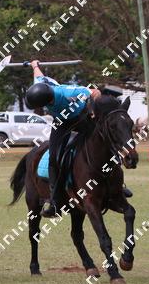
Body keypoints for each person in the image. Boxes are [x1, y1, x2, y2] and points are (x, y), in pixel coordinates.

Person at [24, 60, 102, 217]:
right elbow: (38, 74)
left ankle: (119, 186)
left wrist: (94, 110)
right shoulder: (40, 85)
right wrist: (34, 65)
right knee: (53, 157)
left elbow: (95, 92)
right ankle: (55, 201)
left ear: (47, 101)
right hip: (61, 123)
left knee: (103, 144)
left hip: (81, 118)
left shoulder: (68, 92)